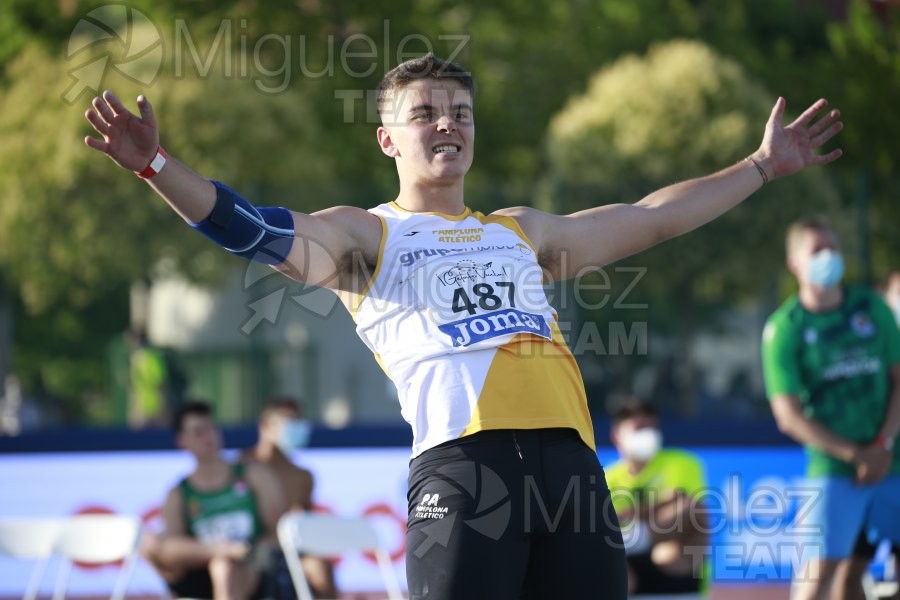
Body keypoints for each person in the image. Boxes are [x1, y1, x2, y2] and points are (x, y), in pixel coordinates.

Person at [85, 53, 842, 599]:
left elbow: (651, 218)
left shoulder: (521, 230)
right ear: (388, 139)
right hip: (463, 470)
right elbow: (253, 230)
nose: (447, 123)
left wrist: (759, 167)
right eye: (425, 113)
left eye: (461, 113)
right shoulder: (364, 238)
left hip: (572, 474)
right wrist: (159, 168)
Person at [761, 217, 900, 600]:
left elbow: (898, 380)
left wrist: (883, 446)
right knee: (820, 574)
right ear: (794, 263)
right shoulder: (784, 328)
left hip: (893, 460)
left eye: (833, 248)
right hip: (836, 468)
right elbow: (788, 415)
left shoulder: (871, 307)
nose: (828, 257)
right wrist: (856, 455)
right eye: (817, 250)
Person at [141, 401, 286, 600]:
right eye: (198, 432)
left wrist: (248, 552)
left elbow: (280, 532)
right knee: (151, 546)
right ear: (182, 441)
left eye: (211, 428)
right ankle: (223, 551)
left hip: (251, 570)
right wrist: (222, 550)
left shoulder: (253, 475)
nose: (208, 437)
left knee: (223, 566)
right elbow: (171, 552)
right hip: (199, 573)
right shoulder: (178, 493)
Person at [605, 398, 709, 597]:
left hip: (671, 562)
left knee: (694, 509)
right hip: (623, 567)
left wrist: (633, 514)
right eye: (639, 429)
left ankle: (635, 541)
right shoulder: (607, 476)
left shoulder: (682, 462)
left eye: (651, 428)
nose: (647, 435)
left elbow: (683, 503)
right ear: (617, 436)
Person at [241, 397, 337, 599]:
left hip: (288, 551)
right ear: (266, 426)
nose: (296, 427)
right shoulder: (240, 467)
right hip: (248, 551)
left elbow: (303, 525)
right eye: (289, 421)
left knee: (320, 570)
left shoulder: (302, 476)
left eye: (298, 421)